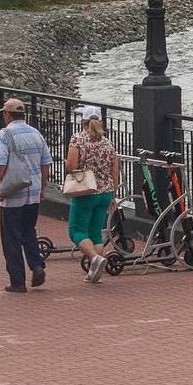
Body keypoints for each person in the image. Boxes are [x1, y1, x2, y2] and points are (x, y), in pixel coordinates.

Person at [0, 96, 52, 293]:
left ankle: (17, 281)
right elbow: (46, 163)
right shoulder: (35, 133)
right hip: (33, 192)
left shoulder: (4, 135)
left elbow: (0, 164)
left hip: (12, 193)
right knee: (28, 231)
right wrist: (42, 187)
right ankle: (36, 265)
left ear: (7, 114)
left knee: (11, 237)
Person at [64, 106, 119, 283]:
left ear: (83, 121)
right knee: (95, 233)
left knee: (76, 231)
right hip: (106, 193)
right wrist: (114, 194)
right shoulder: (107, 143)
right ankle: (94, 272)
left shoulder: (78, 139)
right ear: (100, 122)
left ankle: (95, 259)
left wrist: (67, 164)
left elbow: (71, 167)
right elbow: (115, 170)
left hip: (86, 192)